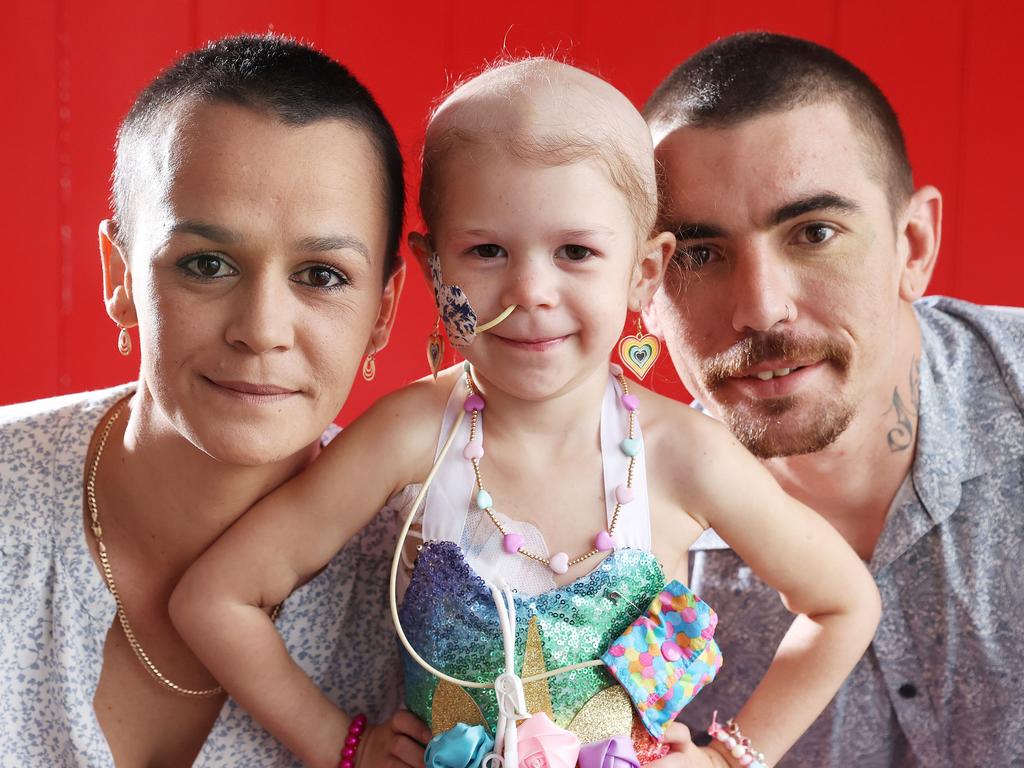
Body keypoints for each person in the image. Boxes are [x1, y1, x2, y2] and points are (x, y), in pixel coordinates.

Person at [171, 58, 881, 768]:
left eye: (576, 251)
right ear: (434, 270)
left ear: (644, 272)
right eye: (486, 251)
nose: (531, 290)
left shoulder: (683, 454)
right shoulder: (413, 435)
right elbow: (215, 598)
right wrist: (339, 746)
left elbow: (845, 603)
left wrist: (732, 758)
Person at [0, 34, 425, 767]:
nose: (261, 330)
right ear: (119, 273)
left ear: (384, 310)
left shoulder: (427, 580)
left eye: (321, 275)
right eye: (206, 264)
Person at [643, 31, 1024, 767]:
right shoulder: (622, 548)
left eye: (814, 232)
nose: (760, 309)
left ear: (913, 246)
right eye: (698, 254)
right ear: (645, 292)